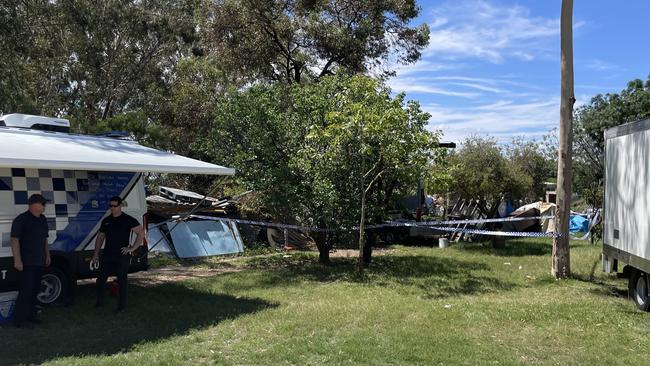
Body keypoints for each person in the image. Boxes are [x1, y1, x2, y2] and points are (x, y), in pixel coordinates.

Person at [92, 196, 144, 312]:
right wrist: (96, 254)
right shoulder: (106, 220)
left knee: (122, 280)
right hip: (107, 254)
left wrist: (132, 248)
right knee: (100, 280)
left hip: (121, 255)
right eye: (110, 206)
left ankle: (122, 306)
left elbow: (141, 233)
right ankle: (99, 304)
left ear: (120, 206)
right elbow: (100, 237)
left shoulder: (128, 219)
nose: (112, 208)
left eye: (115, 206)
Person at [10, 194, 51, 328]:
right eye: (43, 203)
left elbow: (45, 239)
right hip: (26, 262)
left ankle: (31, 316)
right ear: (34, 204)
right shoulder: (22, 219)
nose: (45, 206)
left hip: (39, 261)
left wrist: (47, 255)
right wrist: (17, 260)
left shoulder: (43, 219)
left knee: (35, 290)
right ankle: (18, 320)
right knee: (26, 290)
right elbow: (14, 240)